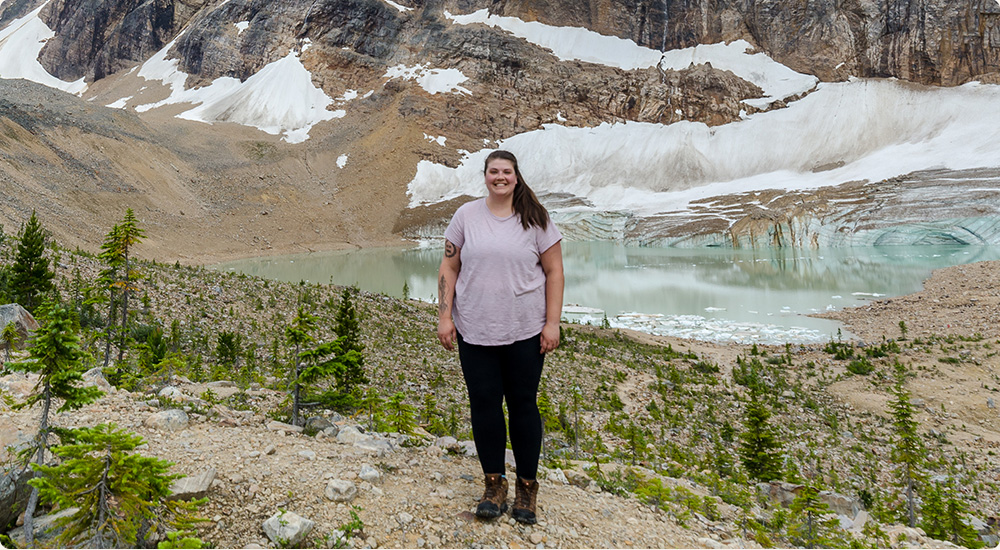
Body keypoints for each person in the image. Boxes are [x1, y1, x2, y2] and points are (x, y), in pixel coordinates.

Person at [437, 149, 564, 525]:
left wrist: (552, 323)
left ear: (516, 176)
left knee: (523, 405)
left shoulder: (536, 218)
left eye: (506, 172)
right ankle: (494, 483)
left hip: (524, 330)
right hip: (475, 330)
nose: (500, 177)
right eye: (494, 171)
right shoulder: (466, 216)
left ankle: (527, 487)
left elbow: (555, 272)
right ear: (486, 175)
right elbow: (449, 265)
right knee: (485, 406)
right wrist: (444, 317)